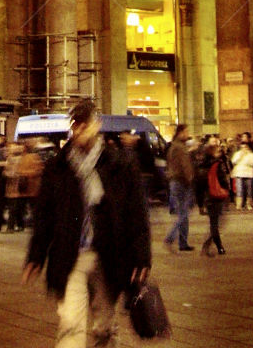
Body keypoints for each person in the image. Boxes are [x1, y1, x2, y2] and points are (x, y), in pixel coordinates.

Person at [23, 98, 151, 348]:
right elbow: (44, 216)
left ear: (97, 125)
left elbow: (137, 214)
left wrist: (142, 256)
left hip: (108, 256)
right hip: (72, 256)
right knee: (70, 322)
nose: (80, 130)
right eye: (76, 125)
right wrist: (35, 255)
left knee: (104, 326)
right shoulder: (58, 167)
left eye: (86, 124)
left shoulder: (120, 165)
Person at [164, 123, 196, 251]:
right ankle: (171, 237)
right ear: (181, 133)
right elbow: (185, 166)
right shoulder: (179, 147)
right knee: (183, 213)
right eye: (186, 132)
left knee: (184, 213)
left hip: (176, 181)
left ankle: (183, 243)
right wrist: (190, 179)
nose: (188, 134)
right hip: (181, 182)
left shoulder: (174, 146)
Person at [201, 137, 229, 256]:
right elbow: (223, 180)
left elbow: (199, 184)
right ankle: (216, 246)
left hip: (208, 196)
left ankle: (213, 246)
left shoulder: (202, 165)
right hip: (217, 196)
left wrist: (200, 202)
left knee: (215, 222)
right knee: (216, 223)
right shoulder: (217, 164)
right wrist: (226, 190)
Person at [230, 134, 253, 212]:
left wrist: (246, 158)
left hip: (249, 174)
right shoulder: (237, 154)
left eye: (245, 147)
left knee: (249, 190)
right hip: (239, 174)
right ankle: (239, 205)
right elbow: (234, 161)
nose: (244, 149)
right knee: (239, 190)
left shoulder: (252, 155)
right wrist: (241, 156)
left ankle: (248, 204)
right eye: (242, 147)